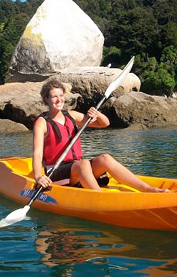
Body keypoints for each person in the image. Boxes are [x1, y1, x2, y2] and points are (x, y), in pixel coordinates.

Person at [32, 79, 168, 193]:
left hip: (76, 167)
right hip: (56, 171)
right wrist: (39, 177)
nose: (59, 99)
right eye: (54, 96)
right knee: (83, 163)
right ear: (46, 99)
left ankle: (147, 188)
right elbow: (37, 154)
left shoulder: (71, 115)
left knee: (105, 158)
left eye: (61, 95)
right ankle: (100, 196)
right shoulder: (42, 123)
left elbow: (104, 124)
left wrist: (98, 115)